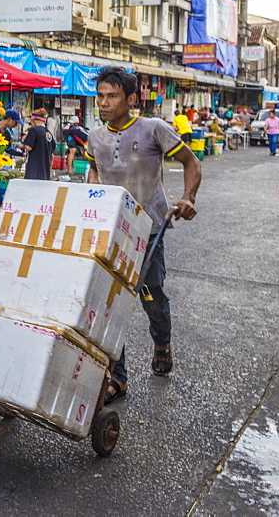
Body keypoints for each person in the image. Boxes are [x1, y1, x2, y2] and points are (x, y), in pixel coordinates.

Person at [85, 67, 201, 404]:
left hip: (149, 230)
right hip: (109, 231)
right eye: (101, 95)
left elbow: (191, 162)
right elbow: (95, 168)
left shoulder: (153, 129)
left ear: (131, 99)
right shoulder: (94, 136)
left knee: (152, 298)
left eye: (112, 96)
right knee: (107, 305)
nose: (104, 103)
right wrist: (89, 192)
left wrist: (187, 198)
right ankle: (117, 377)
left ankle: (162, 341)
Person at [22, 109, 54, 181]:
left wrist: (24, 140)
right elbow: (52, 156)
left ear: (33, 120)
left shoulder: (34, 130)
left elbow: (28, 147)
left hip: (33, 172)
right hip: (45, 173)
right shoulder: (49, 134)